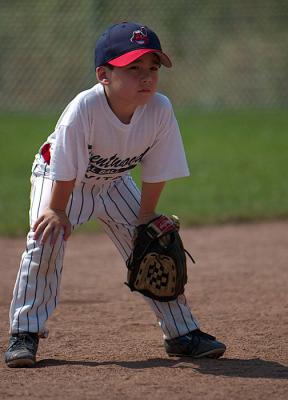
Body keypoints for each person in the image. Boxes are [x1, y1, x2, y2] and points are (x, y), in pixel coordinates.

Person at [5, 22, 226, 368]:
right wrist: (57, 211)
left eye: (152, 68)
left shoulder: (160, 109)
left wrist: (146, 219)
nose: (147, 77)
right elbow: (65, 167)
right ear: (103, 75)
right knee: (45, 239)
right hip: (61, 180)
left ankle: (181, 333)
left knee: (154, 246)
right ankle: (25, 332)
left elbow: (156, 171)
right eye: (133, 68)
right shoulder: (84, 108)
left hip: (114, 181)